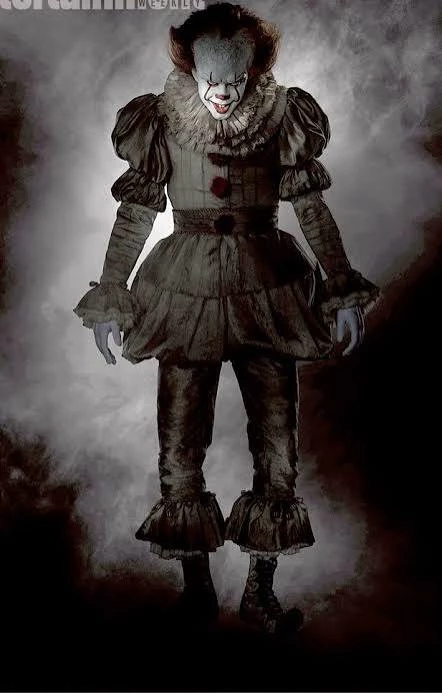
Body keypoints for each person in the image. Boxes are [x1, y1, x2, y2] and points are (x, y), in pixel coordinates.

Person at [74, 2, 379, 635]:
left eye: (235, 81)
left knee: (278, 447)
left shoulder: (283, 115)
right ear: (191, 68)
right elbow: (135, 214)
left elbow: (311, 207)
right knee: (179, 446)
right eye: (211, 80)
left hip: (268, 289)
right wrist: (111, 291)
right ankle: (197, 593)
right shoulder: (160, 120)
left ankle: (259, 592)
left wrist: (341, 285)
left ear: (253, 71)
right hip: (184, 291)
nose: (221, 94)